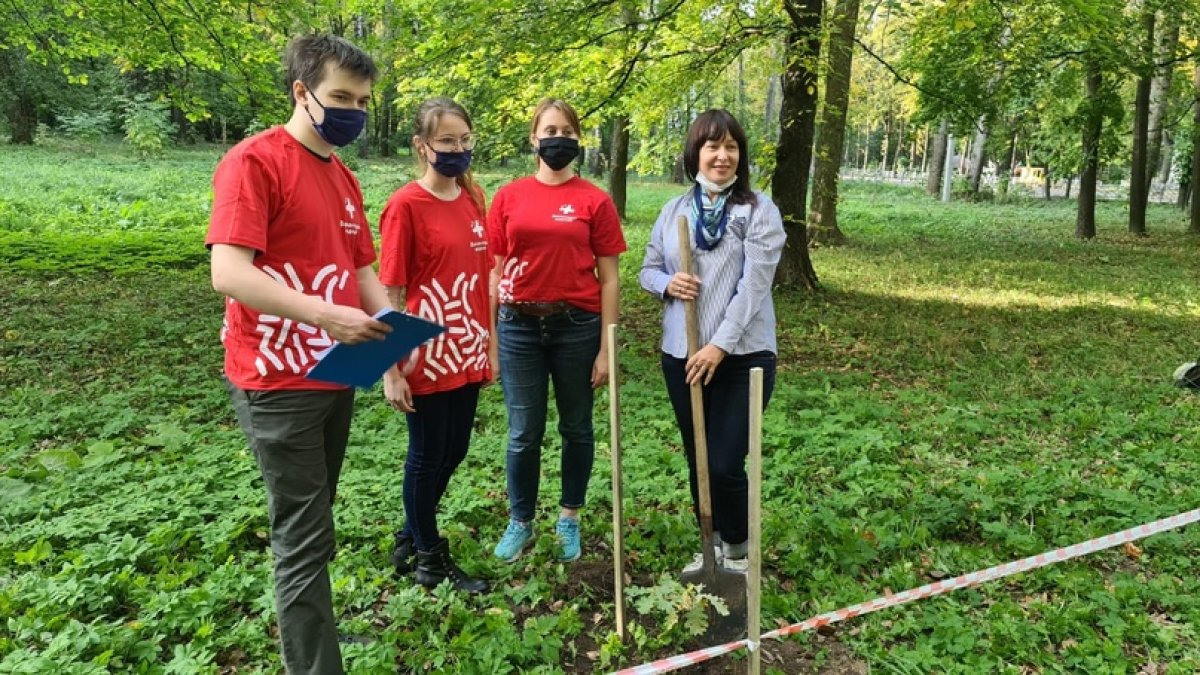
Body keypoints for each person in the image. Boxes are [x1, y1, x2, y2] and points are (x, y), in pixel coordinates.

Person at [206, 34, 389, 674]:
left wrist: (393, 334)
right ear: (301, 92)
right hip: (276, 377)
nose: (353, 112)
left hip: (337, 373)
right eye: (341, 97)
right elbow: (228, 272)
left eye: (363, 101)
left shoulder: (342, 177)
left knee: (317, 521)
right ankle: (314, 664)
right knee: (303, 535)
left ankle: (315, 636)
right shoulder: (254, 163)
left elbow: (363, 271)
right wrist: (323, 314)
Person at [638, 109, 785, 572]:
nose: (722, 156)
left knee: (723, 460)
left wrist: (719, 346)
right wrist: (666, 283)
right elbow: (646, 268)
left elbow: (753, 288)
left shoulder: (758, 210)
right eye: (712, 146)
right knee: (697, 456)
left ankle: (738, 551)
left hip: (743, 357)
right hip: (682, 355)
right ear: (695, 154)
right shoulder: (674, 211)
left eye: (731, 147)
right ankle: (712, 545)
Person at [487, 98, 626, 563]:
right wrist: (489, 334)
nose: (558, 138)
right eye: (549, 130)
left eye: (567, 130)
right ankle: (520, 521)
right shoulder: (509, 197)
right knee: (524, 432)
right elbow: (495, 269)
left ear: (577, 138)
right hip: (518, 327)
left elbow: (610, 278)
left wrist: (607, 348)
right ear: (534, 138)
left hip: (577, 328)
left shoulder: (595, 200)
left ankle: (569, 518)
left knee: (577, 428)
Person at [378, 97, 493, 593]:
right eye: (447, 141)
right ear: (421, 146)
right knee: (427, 454)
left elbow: (482, 276)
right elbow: (389, 292)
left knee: (455, 449)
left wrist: (487, 344)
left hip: (467, 347)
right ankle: (429, 556)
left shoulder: (473, 198)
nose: (457, 150)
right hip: (423, 353)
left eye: (465, 140)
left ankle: (409, 534)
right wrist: (390, 368)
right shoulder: (405, 206)